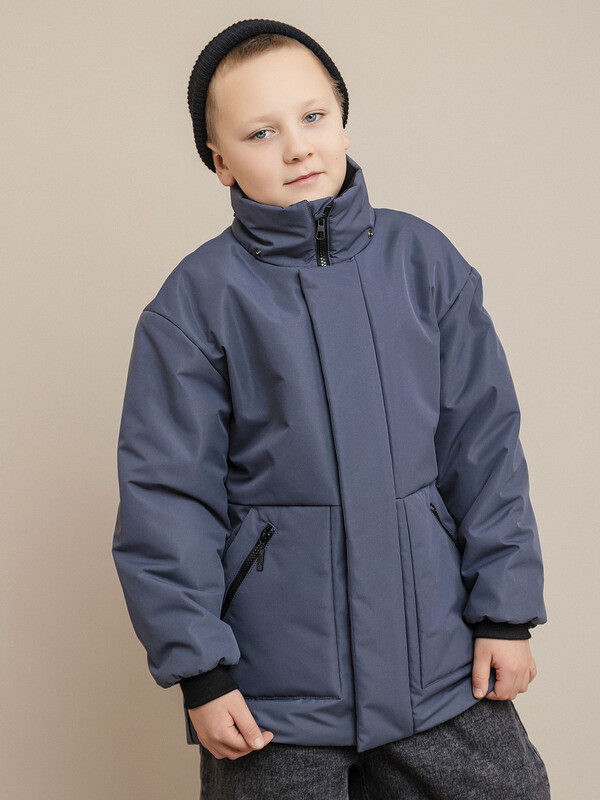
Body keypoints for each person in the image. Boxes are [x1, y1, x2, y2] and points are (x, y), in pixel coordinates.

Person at [111, 18, 551, 799]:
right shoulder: (196, 304)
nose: (297, 148)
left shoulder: (424, 264)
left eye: (313, 116)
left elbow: (484, 449)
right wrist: (201, 671)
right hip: (276, 699)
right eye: (261, 132)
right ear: (220, 162)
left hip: (440, 667)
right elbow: (166, 501)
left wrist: (504, 614)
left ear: (342, 119)